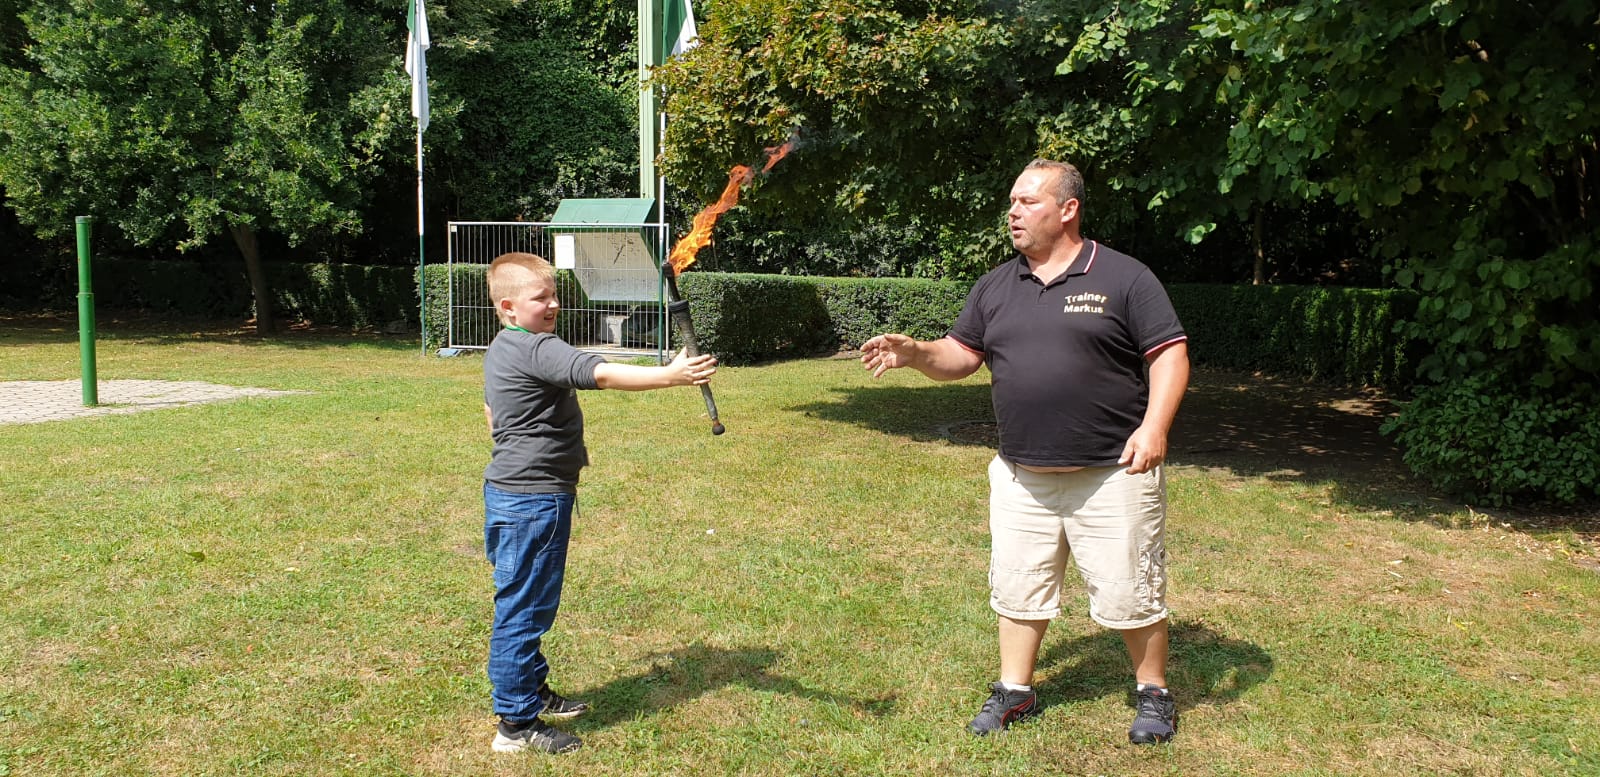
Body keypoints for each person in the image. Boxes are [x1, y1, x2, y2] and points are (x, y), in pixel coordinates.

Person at [861, 159, 1189, 745]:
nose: (1013, 212)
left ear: (1068, 209)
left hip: (1111, 472)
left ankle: (1153, 693)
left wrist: (1154, 427)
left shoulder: (1124, 276)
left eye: (1028, 201)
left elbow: (1169, 353)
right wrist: (916, 353)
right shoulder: (996, 284)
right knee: (1018, 586)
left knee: (1130, 590)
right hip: (1021, 474)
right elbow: (961, 355)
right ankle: (1017, 690)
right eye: (1012, 201)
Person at [480, 252, 718, 755]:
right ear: (508, 307)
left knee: (522, 599)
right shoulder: (537, 347)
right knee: (524, 610)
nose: (553, 304)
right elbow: (600, 373)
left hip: (510, 492)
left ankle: (531, 689)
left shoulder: (502, 347)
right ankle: (516, 724)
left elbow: (491, 412)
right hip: (533, 500)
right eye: (540, 297)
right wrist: (672, 375)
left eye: (554, 295)